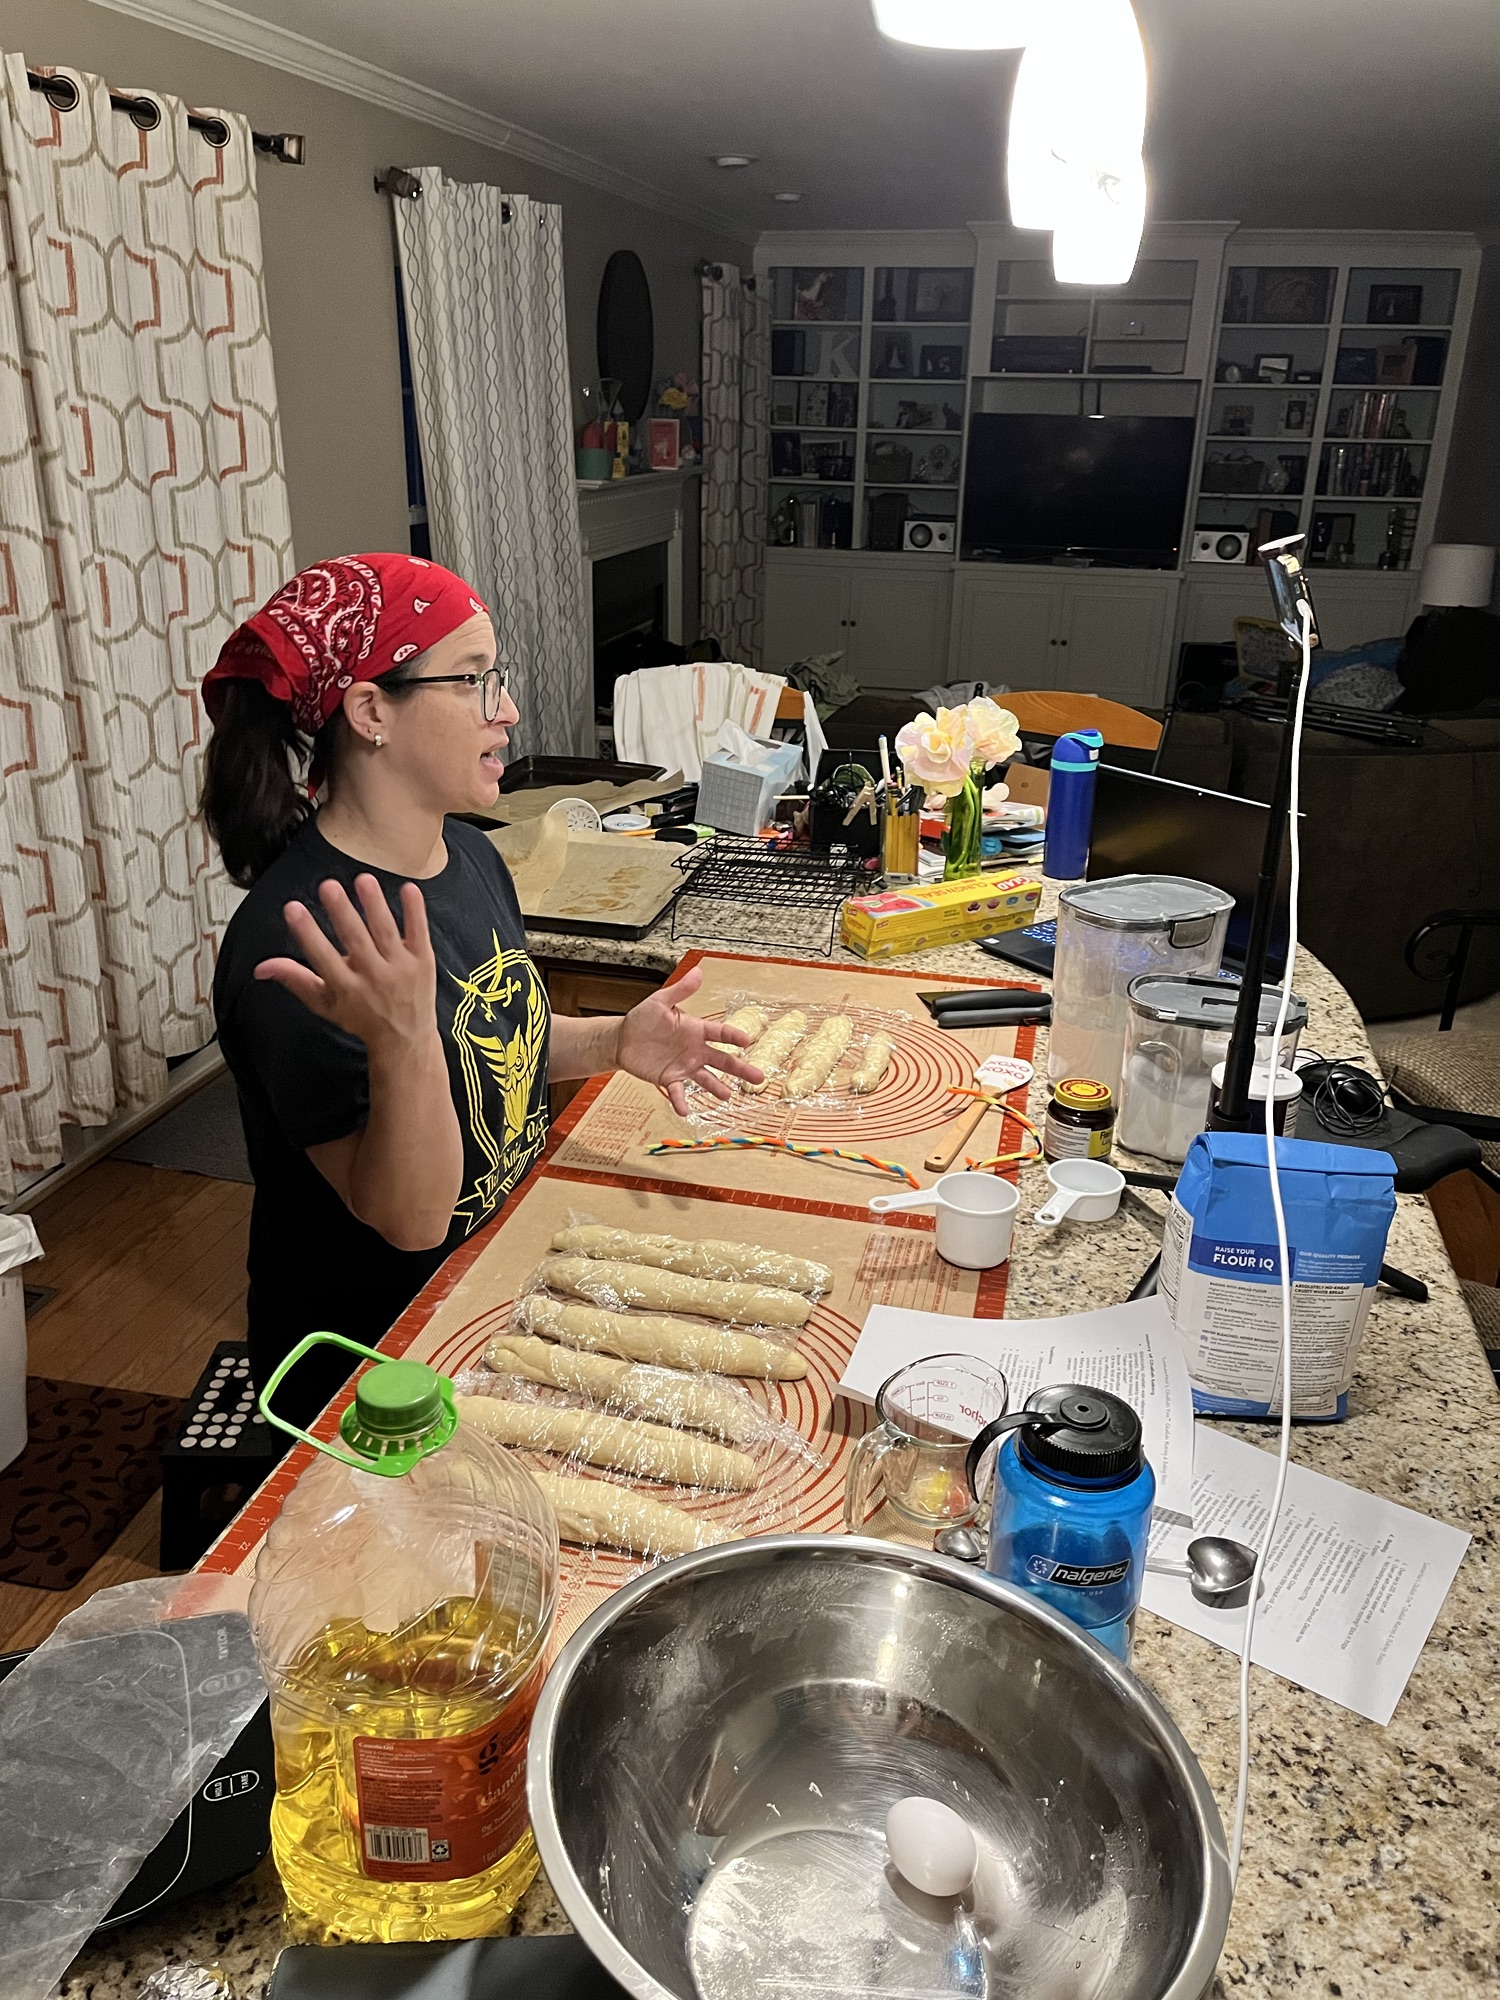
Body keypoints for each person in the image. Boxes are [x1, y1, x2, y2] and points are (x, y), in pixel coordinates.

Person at [202, 552, 760, 1429]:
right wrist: (399, 1039)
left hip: (494, 1296)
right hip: (378, 1376)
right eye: (471, 681)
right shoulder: (307, 939)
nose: (507, 711)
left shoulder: (468, 856)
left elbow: (488, 1047)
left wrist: (613, 1043)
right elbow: (410, 1219)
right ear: (370, 709)